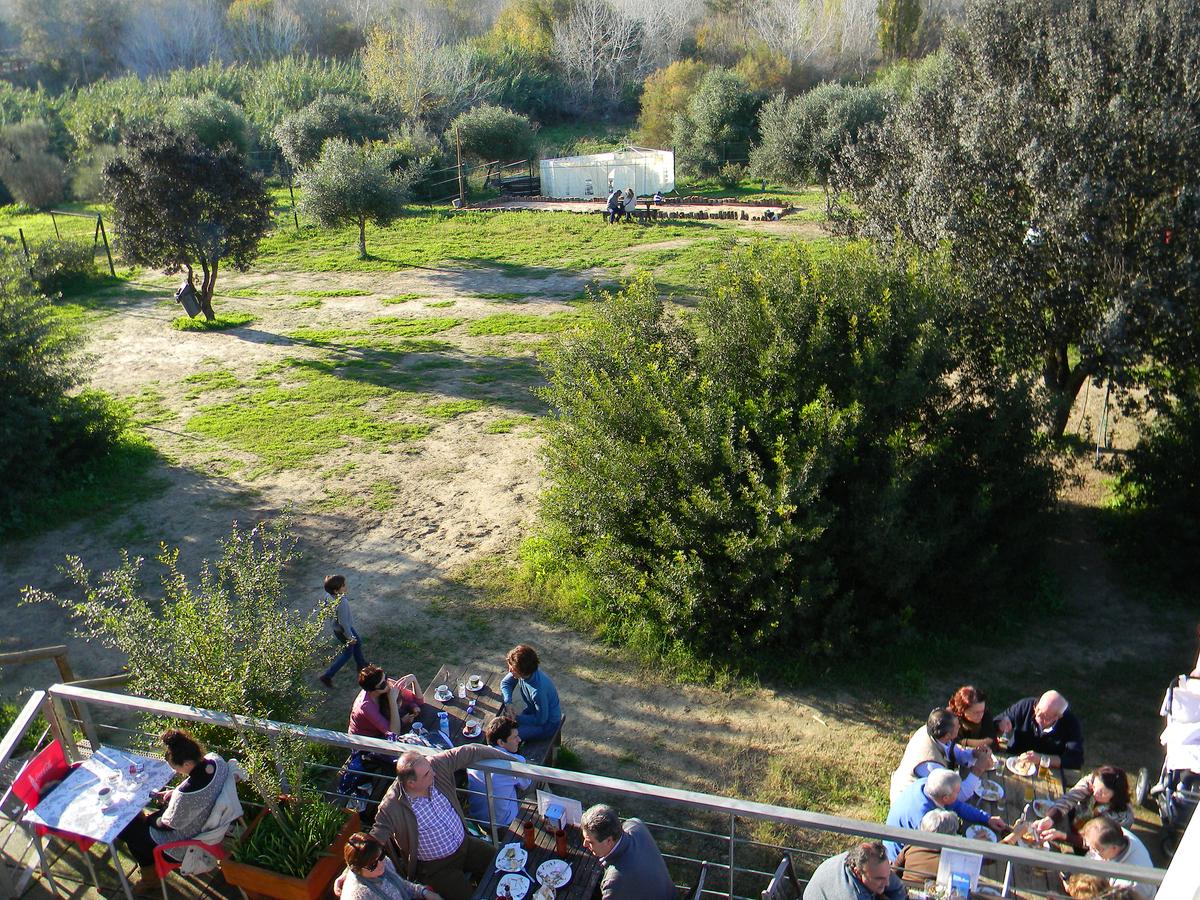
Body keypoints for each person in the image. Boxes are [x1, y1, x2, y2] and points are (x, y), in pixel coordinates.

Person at [369, 745, 510, 900]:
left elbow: (470, 751)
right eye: (427, 774)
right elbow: (375, 838)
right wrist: (355, 869)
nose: (433, 773)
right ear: (411, 783)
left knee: (503, 862)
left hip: (465, 844)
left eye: (429, 768)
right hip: (437, 867)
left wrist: (512, 759)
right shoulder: (392, 806)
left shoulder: (434, 765)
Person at [119, 729, 231, 894]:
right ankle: (149, 869)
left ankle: (150, 880)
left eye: (176, 768)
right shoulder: (217, 761)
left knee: (131, 834)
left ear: (187, 764)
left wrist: (149, 819)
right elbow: (197, 788)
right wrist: (175, 793)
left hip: (185, 841)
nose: (176, 771)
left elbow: (166, 825)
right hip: (208, 819)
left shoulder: (186, 795)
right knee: (138, 826)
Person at [884, 769, 1006, 860]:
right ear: (946, 798)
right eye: (957, 792)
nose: (959, 794)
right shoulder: (925, 819)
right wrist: (972, 844)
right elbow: (935, 849)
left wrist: (987, 819)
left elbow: (958, 806)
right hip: (898, 856)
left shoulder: (928, 785)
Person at [889, 708, 993, 804]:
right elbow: (956, 797)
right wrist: (977, 770)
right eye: (957, 726)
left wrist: (973, 753)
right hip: (908, 802)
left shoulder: (935, 732)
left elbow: (955, 752)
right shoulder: (931, 764)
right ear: (947, 735)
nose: (960, 727)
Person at [580, 803, 675, 900]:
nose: (584, 844)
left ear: (609, 841)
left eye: (590, 842)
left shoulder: (614, 882)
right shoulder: (635, 824)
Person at [1033, 765, 1133, 846]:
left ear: (1116, 795)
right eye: (1095, 787)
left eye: (1102, 793)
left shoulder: (1122, 817)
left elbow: (1099, 844)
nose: (1095, 793)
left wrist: (1063, 836)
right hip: (1074, 821)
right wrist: (1050, 819)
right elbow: (1070, 798)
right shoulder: (1094, 781)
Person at [465, 715, 531, 827]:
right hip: (502, 821)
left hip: (476, 816)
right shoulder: (516, 762)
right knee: (537, 780)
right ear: (501, 743)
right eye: (515, 737)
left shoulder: (473, 756)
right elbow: (525, 785)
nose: (519, 740)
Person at [994, 690, 1084, 769]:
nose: (1037, 715)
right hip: (1014, 759)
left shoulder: (1070, 724)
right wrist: (1001, 723)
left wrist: (1042, 759)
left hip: (1046, 769)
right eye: (1037, 709)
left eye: (1044, 715)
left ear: (1057, 717)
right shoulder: (1027, 705)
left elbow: (1075, 760)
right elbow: (996, 722)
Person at [338, 832, 443, 900]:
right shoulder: (357, 895)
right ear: (356, 869)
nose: (381, 864)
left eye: (381, 856)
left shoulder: (384, 863)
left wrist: (424, 892)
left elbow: (402, 885)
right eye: (372, 865)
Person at [1079, 817, 1155, 899]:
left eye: (1095, 849)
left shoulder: (1129, 884)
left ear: (1114, 848)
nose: (1090, 851)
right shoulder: (1113, 834)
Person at [804, 841, 907, 900]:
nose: (887, 882)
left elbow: (898, 889)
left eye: (888, 875)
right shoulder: (852, 896)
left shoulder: (874, 868)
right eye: (879, 879)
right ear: (858, 872)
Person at [499, 644, 561, 741]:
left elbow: (541, 720)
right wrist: (508, 702)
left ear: (522, 672)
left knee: (508, 737)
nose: (509, 670)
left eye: (513, 668)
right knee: (505, 728)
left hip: (548, 725)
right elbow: (505, 683)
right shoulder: (525, 673)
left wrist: (517, 718)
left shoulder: (538, 691)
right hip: (533, 713)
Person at [351, 665, 425, 739]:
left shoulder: (386, 683)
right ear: (372, 690)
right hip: (368, 738)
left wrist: (413, 679)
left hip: (385, 726)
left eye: (386, 677)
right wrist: (392, 701)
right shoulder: (366, 707)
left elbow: (419, 702)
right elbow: (394, 734)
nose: (388, 683)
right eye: (383, 684)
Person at [321, 574, 366, 689]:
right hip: (344, 630)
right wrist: (350, 637)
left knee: (358, 643)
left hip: (337, 629)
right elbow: (344, 623)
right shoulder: (342, 603)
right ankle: (327, 676)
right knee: (348, 652)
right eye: (343, 586)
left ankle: (361, 665)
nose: (346, 587)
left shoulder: (328, 596)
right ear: (336, 591)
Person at [893, 809, 958, 886]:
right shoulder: (951, 859)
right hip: (931, 892)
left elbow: (894, 872)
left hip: (905, 890)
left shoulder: (910, 847)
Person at [948, 685, 997, 750]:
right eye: (976, 712)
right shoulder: (950, 718)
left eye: (982, 711)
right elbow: (952, 741)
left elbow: (991, 740)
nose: (980, 715)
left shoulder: (985, 714)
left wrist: (964, 742)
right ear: (962, 710)